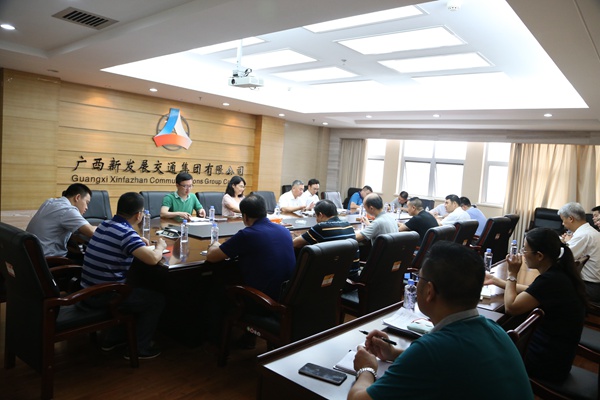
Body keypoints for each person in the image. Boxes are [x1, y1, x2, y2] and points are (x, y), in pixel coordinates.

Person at [349, 241, 533, 400]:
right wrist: (393, 353)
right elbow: (450, 364)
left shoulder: (431, 350)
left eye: (419, 278)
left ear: (429, 291)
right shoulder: (494, 329)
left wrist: (367, 369)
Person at [484, 227, 586, 381]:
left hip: (547, 364)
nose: (522, 254)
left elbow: (511, 307)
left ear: (539, 256)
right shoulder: (559, 273)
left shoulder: (550, 280)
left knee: (488, 346)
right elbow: (532, 291)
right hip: (559, 356)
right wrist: (496, 281)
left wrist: (512, 273)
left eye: (524, 250)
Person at [81, 192, 168, 359]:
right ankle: (140, 348)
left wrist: (136, 240)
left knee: (136, 284)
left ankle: (112, 339)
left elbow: (121, 240)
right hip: (104, 296)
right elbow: (152, 259)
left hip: (87, 290)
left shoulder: (105, 224)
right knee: (156, 300)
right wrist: (160, 246)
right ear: (139, 215)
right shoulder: (126, 234)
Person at [207, 194, 296, 301]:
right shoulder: (285, 231)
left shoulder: (247, 235)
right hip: (288, 296)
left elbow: (212, 257)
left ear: (245, 217)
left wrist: (215, 244)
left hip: (264, 300)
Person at [293, 199, 359, 287]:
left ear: (320, 215)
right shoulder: (348, 225)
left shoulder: (321, 227)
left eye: (316, 216)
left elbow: (294, 244)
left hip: (331, 282)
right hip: (351, 280)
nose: (316, 220)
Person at [26, 183, 96, 258]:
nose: (86, 207)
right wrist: (103, 226)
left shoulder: (50, 202)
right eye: (86, 202)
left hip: (31, 256)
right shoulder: (67, 210)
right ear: (77, 197)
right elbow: (91, 232)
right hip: (49, 260)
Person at [558, 202, 600, 304]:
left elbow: (561, 257)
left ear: (571, 219)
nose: (563, 223)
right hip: (594, 285)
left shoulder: (583, 235)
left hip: (589, 287)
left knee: (549, 289)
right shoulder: (591, 231)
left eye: (563, 220)